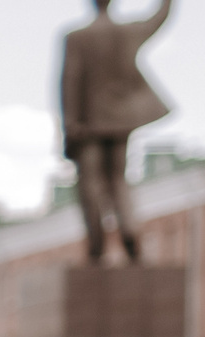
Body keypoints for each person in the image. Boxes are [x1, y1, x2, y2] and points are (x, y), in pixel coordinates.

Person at [62, 0, 175, 265]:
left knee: (91, 182)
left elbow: (70, 79)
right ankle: (129, 232)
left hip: (89, 124)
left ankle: (96, 244)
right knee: (118, 179)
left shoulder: (78, 37)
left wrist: (71, 122)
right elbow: (158, 18)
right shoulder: (127, 32)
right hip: (120, 120)